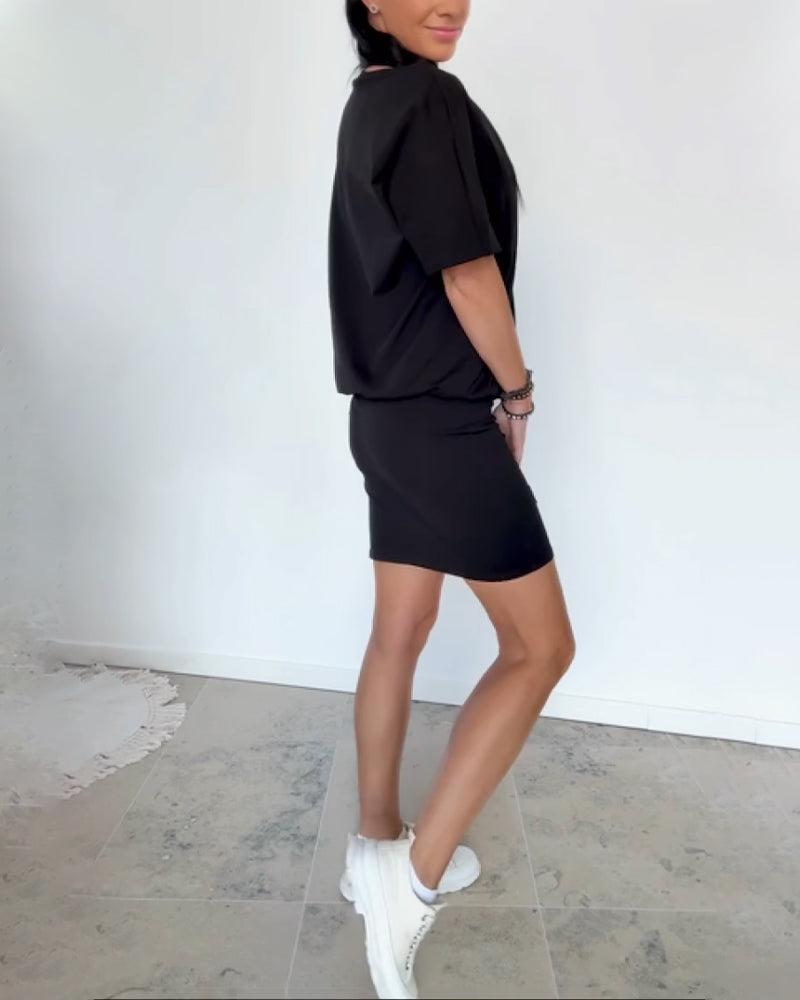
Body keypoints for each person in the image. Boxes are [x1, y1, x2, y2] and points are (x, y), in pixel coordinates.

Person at [328, 2, 575, 997]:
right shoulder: (426, 98)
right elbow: (467, 270)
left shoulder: (369, 100)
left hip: (384, 421)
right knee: (540, 649)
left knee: (401, 629)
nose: (447, 3)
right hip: (438, 423)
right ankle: (412, 883)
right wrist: (516, 392)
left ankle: (374, 847)